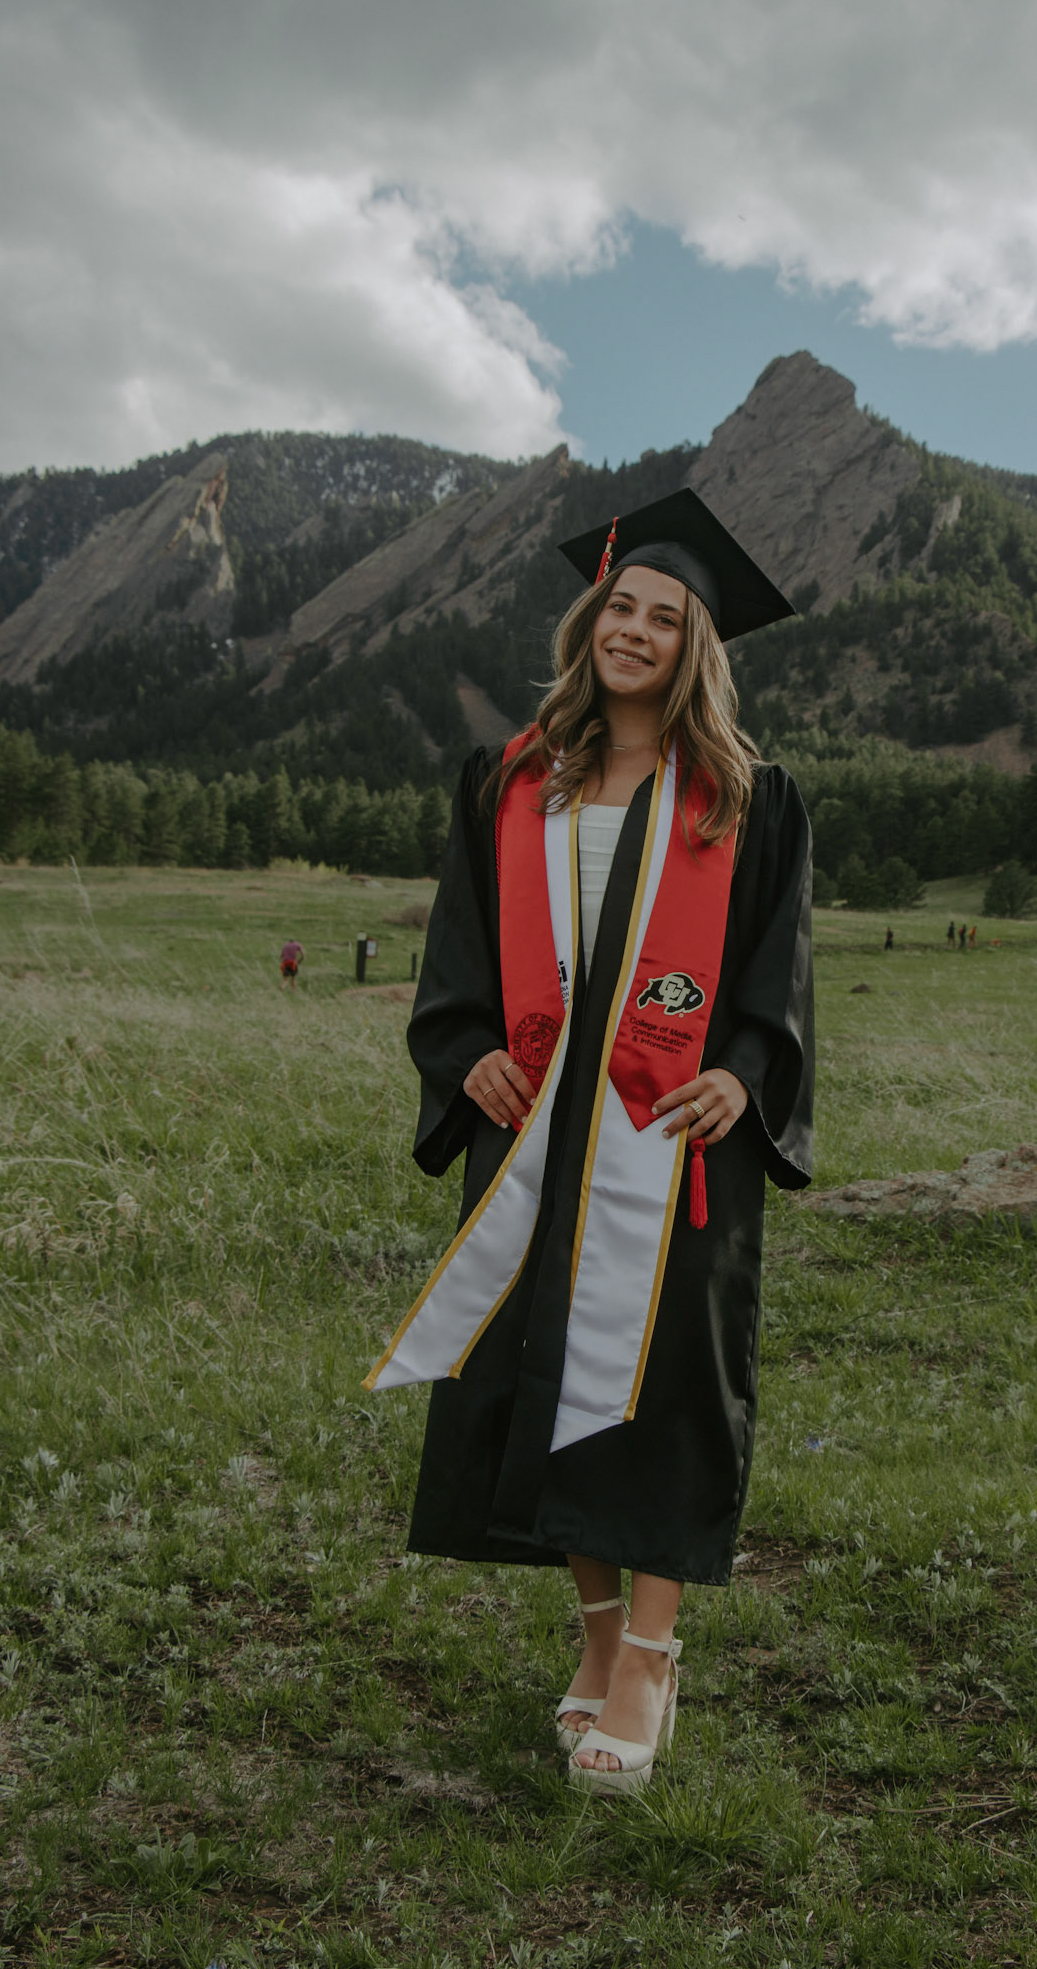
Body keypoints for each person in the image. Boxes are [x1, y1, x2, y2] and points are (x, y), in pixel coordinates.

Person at [365, 489, 814, 1795]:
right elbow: (459, 956)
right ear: (589, 621)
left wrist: (743, 1076)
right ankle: (599, 1633)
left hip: (673, 1142)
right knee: (551, 1366)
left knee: (663, 1383)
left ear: (695, 645)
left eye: (664, 617)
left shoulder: (748, 799)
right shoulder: (509, 783)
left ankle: (652, 1660)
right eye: (620, 607)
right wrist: (468, 1053)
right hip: (539, 1136)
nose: (634, 631)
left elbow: (777, 977)